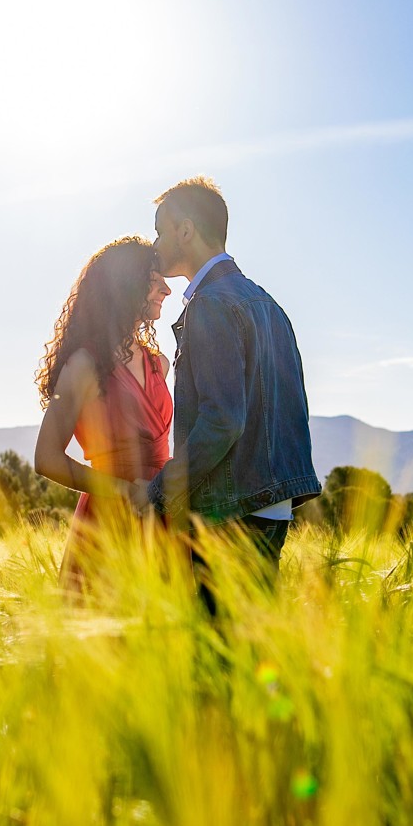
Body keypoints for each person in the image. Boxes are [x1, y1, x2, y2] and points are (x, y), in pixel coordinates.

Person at [132, 177, 319, 609]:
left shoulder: (210, 304)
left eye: (161, 230)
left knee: (215, 658)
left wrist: (158, 492)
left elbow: (223, 419)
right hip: (271, 507)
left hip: (229, 515)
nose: (156, 242)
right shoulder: (268, 304)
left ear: (185, 230)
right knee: (245, 653)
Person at [32, 237, 174, 590]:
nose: (167, 289)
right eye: (155, 278)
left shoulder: (161, 365)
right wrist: (124, 492)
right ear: (127, 284)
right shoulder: (84, 364)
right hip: (107, 525)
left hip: (164, 520)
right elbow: (46, 458)